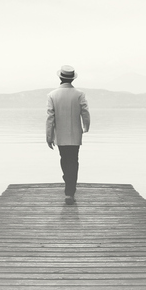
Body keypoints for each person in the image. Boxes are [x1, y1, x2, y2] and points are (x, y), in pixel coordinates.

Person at [46, 65, 90, 204]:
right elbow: (85, 112)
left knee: (64, 159)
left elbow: (50, 118)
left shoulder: (52, 95)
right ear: (72, 79)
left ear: (60, 77)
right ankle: (70, 191)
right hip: (76, 134)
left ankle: (68, 184)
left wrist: (49, 136)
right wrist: (86, 126)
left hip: (61, 135)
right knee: (74, 160)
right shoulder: (79, 94)